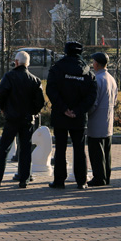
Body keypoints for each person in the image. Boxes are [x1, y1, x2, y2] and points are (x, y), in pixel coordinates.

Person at [0, 51, 46, 189]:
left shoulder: (9, 76)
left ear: (16, 62)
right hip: (27, 119)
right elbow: (40, 102)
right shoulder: (35, 80)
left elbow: (1, 93)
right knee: (25, 149)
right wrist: (33, 112)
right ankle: (24, 179)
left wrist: (2, 108)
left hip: (12, 118)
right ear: (28, 63)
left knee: (4, 149)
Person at [45, 41, 96, 189]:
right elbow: (92, 96)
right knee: (79, 148)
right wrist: (78, 110)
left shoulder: (57, 68)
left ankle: (59, 181)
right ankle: (82, 181)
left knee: (60, 148)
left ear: (66, 51)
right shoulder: (87, 72)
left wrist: (64, 109)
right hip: (78, 117)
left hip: (61, 115)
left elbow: (51, 90)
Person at [86, 51, 118, 187]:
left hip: (97, 121)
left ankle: (99, 178)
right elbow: (115, 100)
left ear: (97, 64)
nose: (92, 64)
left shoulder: (97, 79)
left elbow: (94, 102)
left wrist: (85, 113)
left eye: (93, 62)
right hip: (108, 120)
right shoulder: (111, 78)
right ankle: (106, 176)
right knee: (106, 151)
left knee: (96, 151)